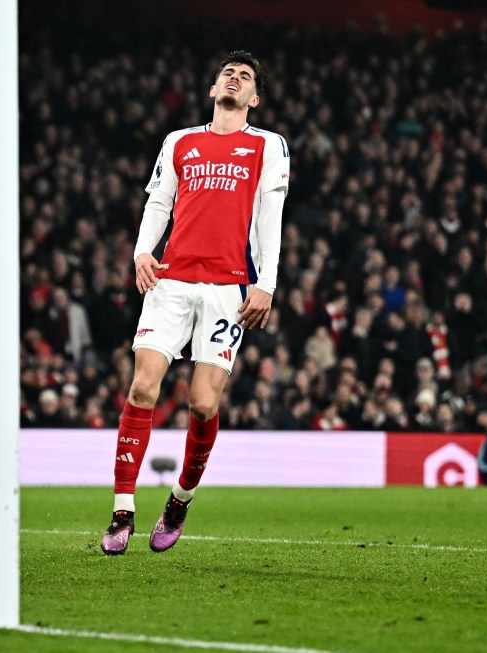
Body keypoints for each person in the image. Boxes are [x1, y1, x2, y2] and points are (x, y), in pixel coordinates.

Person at [100, 51, 289, 555]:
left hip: (229, 288)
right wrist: (144, 251)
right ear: (213, 89)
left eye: (246, 77)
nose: (235, 78)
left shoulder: (268, 146)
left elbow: (270, 218)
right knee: (142, 386)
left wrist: (265, 281)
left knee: (203, 402)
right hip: (172, 280)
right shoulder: (180, 141)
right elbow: (159, 201)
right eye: (228, 73)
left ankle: (180, 498)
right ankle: (122, 511)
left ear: (255, 98)